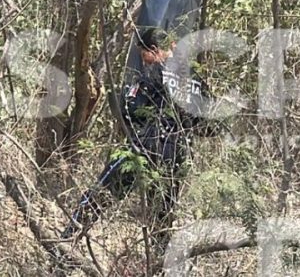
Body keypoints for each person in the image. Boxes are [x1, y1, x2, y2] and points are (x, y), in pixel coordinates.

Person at [61, 27, 213, 241]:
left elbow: (131, 109)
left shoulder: (154, 72)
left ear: (154, 49)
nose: (145, 62)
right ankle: (158, 266)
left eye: (145, 56)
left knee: (99, 195)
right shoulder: (196, 80)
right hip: (177, 155)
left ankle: (65, 243)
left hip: (145, 147)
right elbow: (208, 126)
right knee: (161, 217)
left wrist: (123, 99)